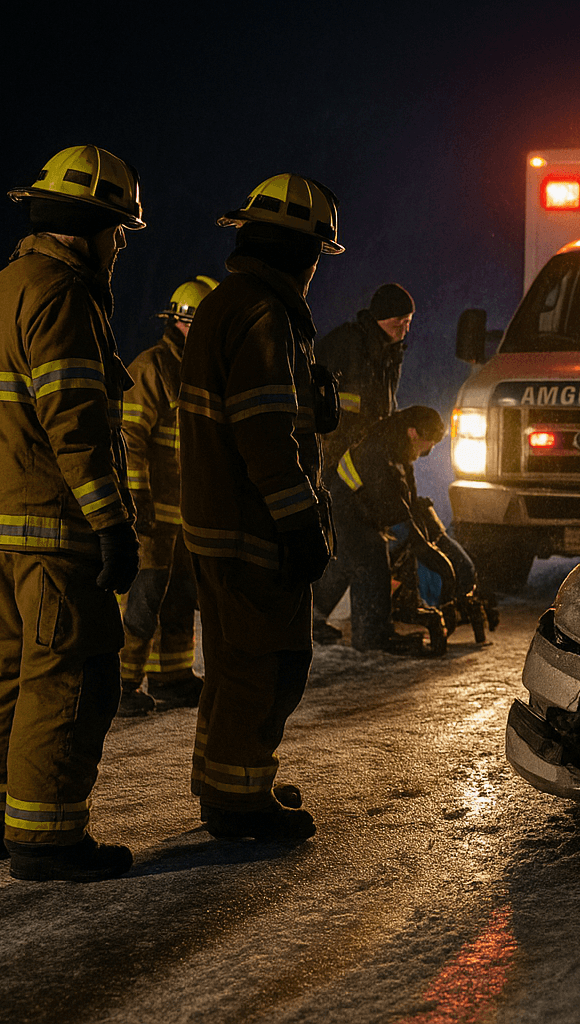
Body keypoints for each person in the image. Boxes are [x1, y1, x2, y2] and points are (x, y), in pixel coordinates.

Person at [0, 145, 144, 882]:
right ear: (91, 228)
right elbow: (76, 427)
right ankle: (47, 837)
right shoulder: (63, 296)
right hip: (52, 531)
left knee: (5, 670)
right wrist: (113, 524)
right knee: (70, 677)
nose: (120, 246)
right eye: (118, 231)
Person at [179, 173, 341, 842]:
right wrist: (301, 524)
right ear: (300, 252)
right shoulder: (265, 315)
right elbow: (266, 437)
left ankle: (227, 781)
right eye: (316, 254)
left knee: (232, 663)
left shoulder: (228, 303)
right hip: (255, 530)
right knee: (269, 665)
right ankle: (240, 799)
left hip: (218, 524)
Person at [118, 276, 218, 715]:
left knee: (180, 595)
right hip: (153, 515)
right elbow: (129, 439)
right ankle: (120, 685)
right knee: (142, 598)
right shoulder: (152, 368)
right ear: (186, 322)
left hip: (186, 515)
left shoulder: (200, 371)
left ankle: (172, 676)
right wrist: (137, 500)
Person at [314, 406, 468, 656]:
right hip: (345, 507)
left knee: (345, 562)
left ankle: (312, 620)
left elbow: (408, 503)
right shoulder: (378, 453)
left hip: (356, 507)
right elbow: (397, 514)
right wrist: (440, 564)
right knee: (370, 559)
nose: (427, 451)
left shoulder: (397, 448)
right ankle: (371, 635)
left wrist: (423, 532)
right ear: (413, 433)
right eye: (427, 444)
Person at [315, 283, 413, 469]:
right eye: (402, 321)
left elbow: (384, 406)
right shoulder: (346, 342)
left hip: (365, 451)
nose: (406, 329)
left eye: (408, 322)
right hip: (335, 452)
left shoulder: (391, 354)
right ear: (385, 317)